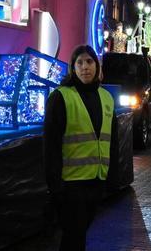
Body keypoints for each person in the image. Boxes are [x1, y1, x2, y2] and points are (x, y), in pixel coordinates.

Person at [44, 45, 117, 251]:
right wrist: (54, 185)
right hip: (71, 184)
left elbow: (113, 142)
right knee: (75, 236)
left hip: (96, 180)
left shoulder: (106, 97)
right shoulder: (61, 97)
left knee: (77, 235)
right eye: (80, 63)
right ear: (73, 68)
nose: (85, 67)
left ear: (97, 65)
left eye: (89, 62)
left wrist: (112, 178)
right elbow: (50, 145)